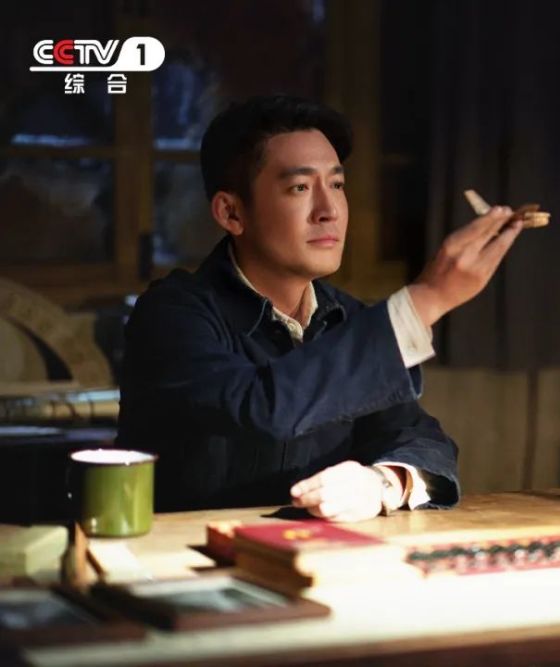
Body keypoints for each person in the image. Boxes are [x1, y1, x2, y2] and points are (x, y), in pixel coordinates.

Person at [117, 95, 523, 520]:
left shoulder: (347, 316)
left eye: (337, 185)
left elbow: (421, 437)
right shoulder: (172, 314)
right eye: (300, 188)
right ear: (231, 212)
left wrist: (381, 482)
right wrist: (426, 299)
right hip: (190, 554)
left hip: (316, 551)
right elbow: (258, 407)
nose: (329, 211)